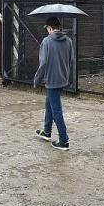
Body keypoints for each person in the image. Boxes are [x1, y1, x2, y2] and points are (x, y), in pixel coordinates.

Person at [34, 16, 75, 151]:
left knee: (56, 109)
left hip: (51, 80)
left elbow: (43, 63)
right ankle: (46, 131)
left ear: (50, 28)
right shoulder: (68, 41)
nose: (47, 31)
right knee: (49, 103)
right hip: (63, 79)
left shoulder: (46, 41)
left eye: (47, 28)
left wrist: (37, 80)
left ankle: (64, 140)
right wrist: (69, 78)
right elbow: (71, 61)